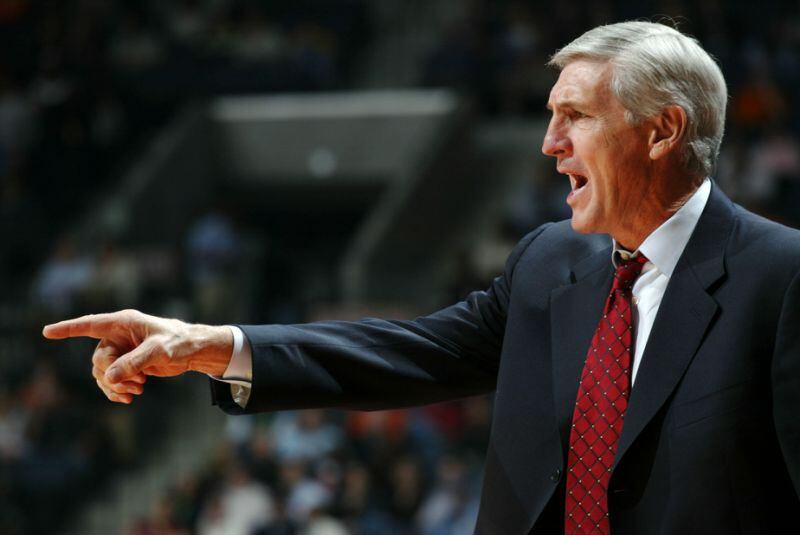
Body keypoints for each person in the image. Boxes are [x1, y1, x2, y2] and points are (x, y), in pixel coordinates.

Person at [43, 21, 800, 534]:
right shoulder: (546, 261)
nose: (549, 143)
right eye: (550, 116)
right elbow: (412, 352)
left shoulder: (781, 277)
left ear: (663, 130)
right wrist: (208, 342)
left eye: (577, 116)